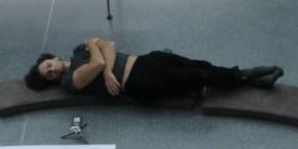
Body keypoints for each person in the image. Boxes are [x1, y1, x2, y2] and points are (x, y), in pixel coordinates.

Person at [24, 37, 283, 101]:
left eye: (48, 65)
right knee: (199, 76)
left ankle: (249, 81)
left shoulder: (79, 50)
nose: (52, 71)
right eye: (48, 75)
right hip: (140, 82)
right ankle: (248, 75)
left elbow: (111, 45)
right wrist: (94, 43)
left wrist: (100, 58)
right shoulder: (70, 81)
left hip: (146, 60)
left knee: (201, 66)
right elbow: (101, 60)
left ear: (52, 57)